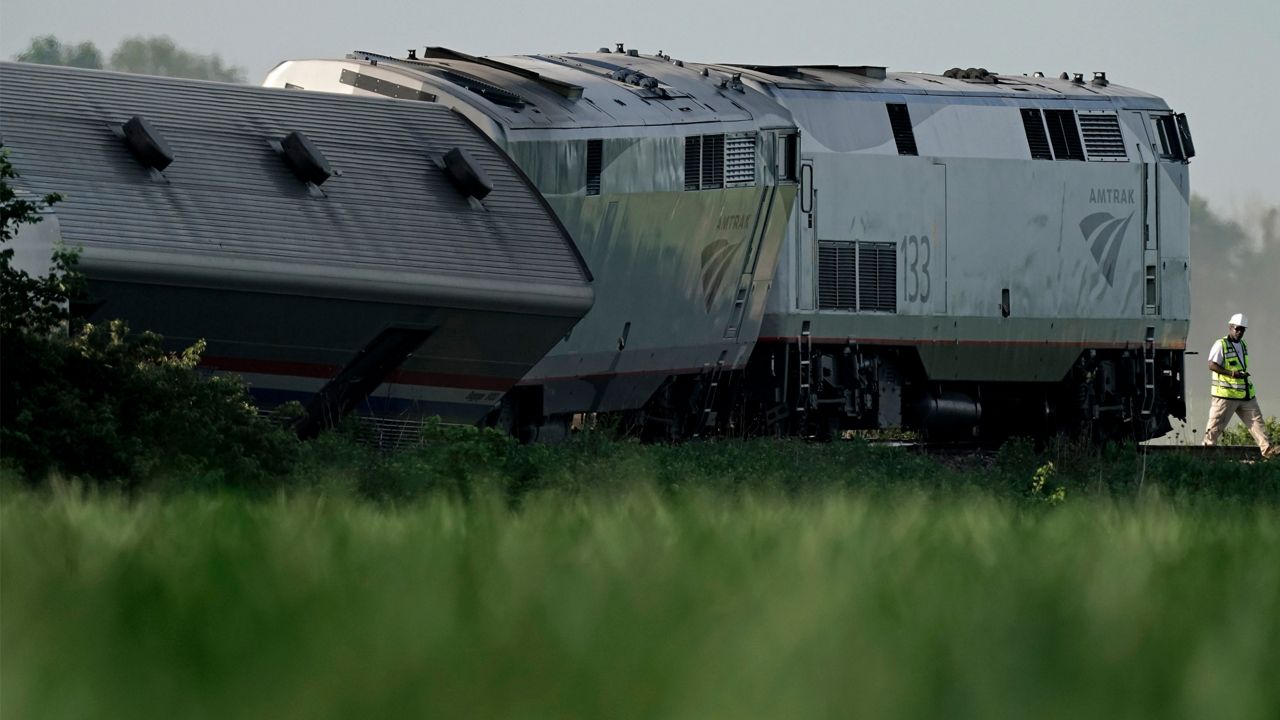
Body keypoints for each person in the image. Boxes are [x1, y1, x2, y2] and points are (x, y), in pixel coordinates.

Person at [1203, 313, 1276, 457]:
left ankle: (1269, 452)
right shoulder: (1221, 344)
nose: (1239, 332)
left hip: (1244, 394)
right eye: (1237, 329)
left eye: (1242, 329)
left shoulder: (1243, 345)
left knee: (1257, 422)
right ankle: (1206, 455)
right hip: (1225, 395)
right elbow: (1211, 365)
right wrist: (1231, 374)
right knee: (1214, 427)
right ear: (1230, 327)